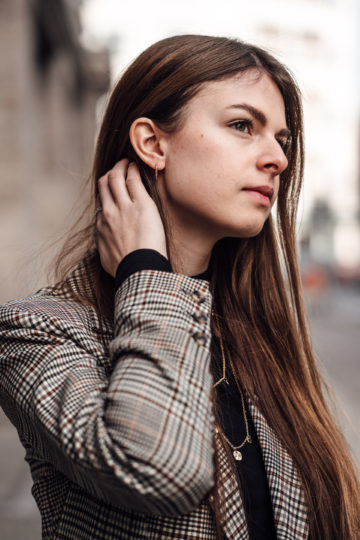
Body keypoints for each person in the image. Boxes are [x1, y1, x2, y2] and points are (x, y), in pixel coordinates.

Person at [0, 34, 359, 540]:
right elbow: (158, 468)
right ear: (152, 143)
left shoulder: (252, 332)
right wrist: (146, 271)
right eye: (242, 125)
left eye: (281, 138)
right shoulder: (39, 332)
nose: (277, 158)